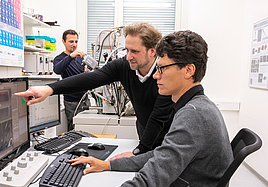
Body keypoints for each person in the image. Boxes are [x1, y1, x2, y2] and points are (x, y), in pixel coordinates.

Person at [0, 30, 234, 187]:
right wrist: (109, 165)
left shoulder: (193, 116)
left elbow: (145, 186)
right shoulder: (198, 107)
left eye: (162, 69)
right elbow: (159, 155)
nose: (156, 75)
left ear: (188, 70)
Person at [16, 22, 174, 158]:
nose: (128, 56)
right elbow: (92, 78)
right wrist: (49, 89)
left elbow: (158, 117)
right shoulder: (125, 66)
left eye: (135, 51)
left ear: (152, 51)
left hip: (169, 143)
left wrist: (140, 151)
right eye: (127, 50)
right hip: (144, 137)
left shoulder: (164, 74)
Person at [53, 29, 90, 131]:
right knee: (74, 130)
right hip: (71, 102)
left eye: (76, 41)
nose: (74, 44)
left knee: (88, 129)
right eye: (71, 41)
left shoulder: (80, 58)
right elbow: (57, 70)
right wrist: (71, 56)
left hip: (85, 100)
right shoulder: (59, 58)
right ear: (63, 42)